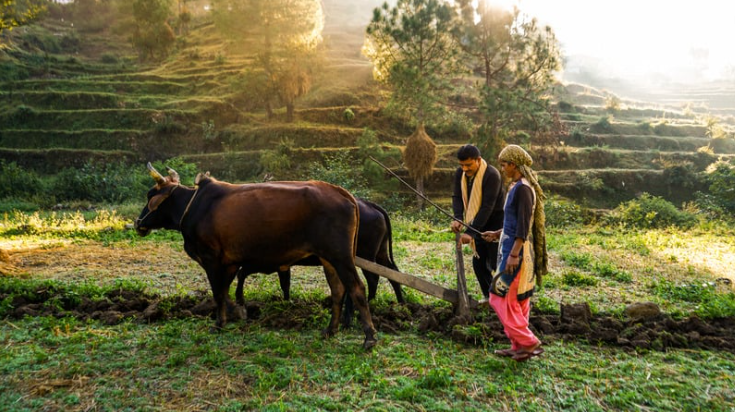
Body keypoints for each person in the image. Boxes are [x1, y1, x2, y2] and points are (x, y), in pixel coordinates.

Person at [481, 144, 548, 362]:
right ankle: (518, 346)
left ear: (514, 165)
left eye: (504, 164)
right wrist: (497, 233)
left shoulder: (523, 189)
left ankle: (528, 341)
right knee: (518, 300)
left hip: (516, 253)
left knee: (498, 296)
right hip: (513, 248)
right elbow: (514, 222)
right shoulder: (518, 186)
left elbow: (523, 225)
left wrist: (514, 254)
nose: (502, 168)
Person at [451, 144, 504, 299]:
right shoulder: (460, 173)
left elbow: (488, 206)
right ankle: (491, 299)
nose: (465, 169)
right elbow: (457, 196)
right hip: (475, 223)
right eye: (462, 165)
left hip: (495, 224)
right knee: (479, 265)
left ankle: (507, 300)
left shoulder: (491, 175)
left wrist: (470, 232)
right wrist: (458, 218)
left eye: (468, 165)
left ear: (478, 160)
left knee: (497, 264)